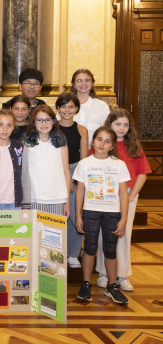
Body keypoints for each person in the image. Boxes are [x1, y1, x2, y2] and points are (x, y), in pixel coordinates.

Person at [93, 109, 151, 292]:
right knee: (104, 234)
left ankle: (123, 275)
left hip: (128, 194)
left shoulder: (134, 146)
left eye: (126, 125)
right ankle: (103, 273)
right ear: (109, 124)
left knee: (123, 234)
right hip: (104, 195)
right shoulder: (102, 143)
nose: (122, 128)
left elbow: (142, 174)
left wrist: (131, 196)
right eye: (118, 124)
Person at [75, 127, 130, 305]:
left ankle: (112, 286)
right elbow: (80, 191)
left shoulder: (119, 165)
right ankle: (86, 284)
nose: (102, 143)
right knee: (90, 247)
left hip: (113, 213)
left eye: (107, 141)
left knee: (110, 249)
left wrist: (123, 219)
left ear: (112, 146)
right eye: (99, 139)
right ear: (93, 141)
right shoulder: (84, 163)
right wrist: (78, 215)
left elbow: (123, 194)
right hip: (90, 211)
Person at [56, 92, 89, 268]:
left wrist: (77, 180)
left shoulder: (81, 129)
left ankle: (73, 253)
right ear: (58, 109)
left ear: (76, 108)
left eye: (71, 106)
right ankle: (58, 251)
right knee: (59, 213)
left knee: (76, 212)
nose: (67, 110)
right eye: (63, 106)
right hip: (55, 171)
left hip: (76, 170)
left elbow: (83, 158)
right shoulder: (52, 128)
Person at [24, 105, 70, 215]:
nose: (44, 124)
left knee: (56, 232)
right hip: (34, 198)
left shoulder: (61, 143)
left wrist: (67, 202)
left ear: (53, 121)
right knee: (35, 232)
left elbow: (66, 173)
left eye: (48, 120)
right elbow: (24, 174)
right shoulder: (27, 143)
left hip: (57, 198)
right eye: (39, 120)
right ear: (33, 122)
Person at [69, 69, 110, 145]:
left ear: (92, 83)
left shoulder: (102, 106)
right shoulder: (66, 106)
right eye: (79, 80)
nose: (83, 83)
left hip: (94, 151)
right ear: (74, 84)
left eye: (87, 80)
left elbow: (107, 132)